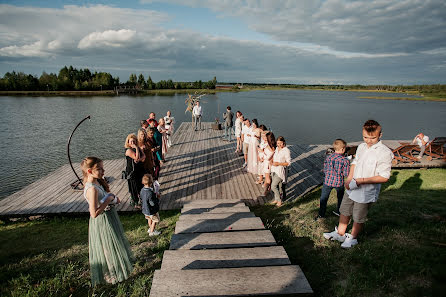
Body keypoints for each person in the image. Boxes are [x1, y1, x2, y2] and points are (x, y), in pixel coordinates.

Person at [323, 120, 393, 248]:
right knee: (344, 210)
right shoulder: (361, 147)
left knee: (358, 216)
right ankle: (340, 233)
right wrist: (349, 178)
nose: (368, 140)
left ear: (380, 135)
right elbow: (355, 162)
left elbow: (384, 177)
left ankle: (353, 238)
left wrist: (361, 181)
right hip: (353, 186)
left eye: (373, 138)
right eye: (365, 137)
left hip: (366, 190)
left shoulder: (384, 152)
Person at [81, 157, 133, 285]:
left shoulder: (97, 183)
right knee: (107, 247)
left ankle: (117, 268)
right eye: (99, 169)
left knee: (114, 242)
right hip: (102, 220)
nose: (103, 171)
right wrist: (109, 199)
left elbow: (102, 199)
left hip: (109, 216)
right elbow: (93, 214)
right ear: (89, 171)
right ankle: (111, 274)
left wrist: (111, 199)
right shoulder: (92, 189)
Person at [315, 139, 350, 221]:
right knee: (340, 198)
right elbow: (346, 174)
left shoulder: (328, 157)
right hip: (339, 183)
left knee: (324, 198)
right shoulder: (345, 160)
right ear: (342, 149)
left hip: (327, 181)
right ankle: (339, 211)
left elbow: (325, 169)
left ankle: (321, 214)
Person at [125, 133, 145, 207]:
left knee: (141, 185)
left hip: (139, 169)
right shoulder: (128, 150)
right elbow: (136, 158)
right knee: (134, 187)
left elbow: (144, 157)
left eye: (134, 141)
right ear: (128, 143)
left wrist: (139, 158)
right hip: (132, 171)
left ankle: (142, 199)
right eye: (131, 142)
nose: (133, 143)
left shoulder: (138, 148)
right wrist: (136, 148)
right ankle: (135, 202)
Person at [270, 136, 291, 207]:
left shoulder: (286, 150)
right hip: (273, 169)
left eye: (280, 143)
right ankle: (276, 199)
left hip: (280, 170)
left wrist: (278, 163)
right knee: (278, 186)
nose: (279, 145)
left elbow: (288, 163)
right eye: (278, 143)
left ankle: (279, 200)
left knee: (273, 186)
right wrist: (272, 161)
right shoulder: (276, 149)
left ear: (283, 143)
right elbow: (274, 157)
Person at [262, 132, 276, 196]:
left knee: (267, 178)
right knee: (267, 177)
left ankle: (265, 191)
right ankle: (268, 189)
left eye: (266, 137)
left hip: (267, 163)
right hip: (266, 162)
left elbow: (269, 156)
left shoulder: (271, 147)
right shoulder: (272, 145)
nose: (265, 138)